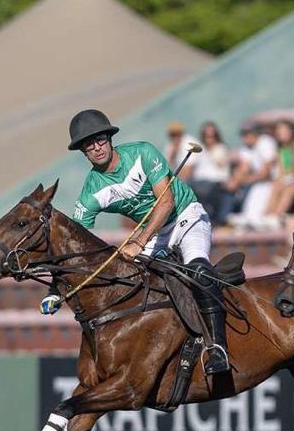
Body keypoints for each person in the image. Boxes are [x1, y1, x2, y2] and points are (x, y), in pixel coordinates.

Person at [64, 109, 230, 374]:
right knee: (128, 282)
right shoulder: (91, 191)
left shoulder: (142, 152)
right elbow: (74, 240)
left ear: (109, 138)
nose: (96, 148)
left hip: (185, 216)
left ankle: (218, 348)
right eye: (88, 145)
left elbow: (166, 202)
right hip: (154, 234)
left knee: (198, 270)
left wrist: (139, 242)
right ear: (83, 152)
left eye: (100, 140)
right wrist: (55, 287)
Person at [189, 121, 231, 224]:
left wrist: (211, 152)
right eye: (206, 136)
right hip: (199, 182)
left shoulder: (220, 148)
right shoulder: (199, 150)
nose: (209, 138)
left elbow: (222, 168)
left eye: (212, 136)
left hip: (215, 183)